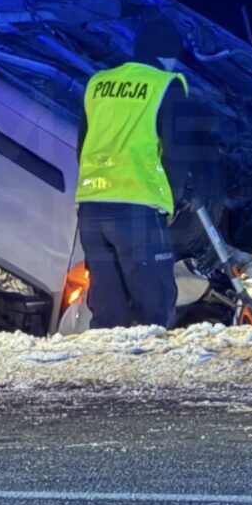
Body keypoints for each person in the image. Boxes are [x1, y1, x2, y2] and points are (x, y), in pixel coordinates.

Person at [74, 16, 192, 329]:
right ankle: (148, 377)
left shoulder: (98, 83)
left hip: (91, 209)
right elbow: (177, 154)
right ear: (167, 55)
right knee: (153, 309)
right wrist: (177, 197)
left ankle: (105, 376)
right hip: (136, 211)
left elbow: (82, 145)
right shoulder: (166, 85)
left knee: (107, 312)